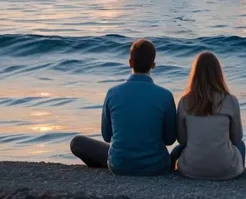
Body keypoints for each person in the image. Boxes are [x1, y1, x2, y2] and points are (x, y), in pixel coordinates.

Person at [70, 39, 176, 175]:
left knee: (77, 143)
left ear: (130, 63)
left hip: (119, 165)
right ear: (153, 65)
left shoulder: (113, 93)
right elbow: (170, 139)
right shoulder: (165, 96)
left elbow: (107, 136)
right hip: (156, 166)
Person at [170, 51, 245, 180]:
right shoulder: (231, 101)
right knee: (241, 145)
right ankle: (237, 171)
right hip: (226, 170)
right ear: (218, 74)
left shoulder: (185, 101)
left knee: (178, 149)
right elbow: (236, 138)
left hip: (191, 170)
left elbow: (182, 140)